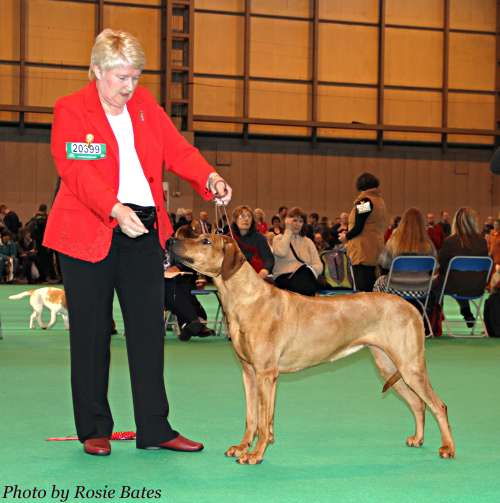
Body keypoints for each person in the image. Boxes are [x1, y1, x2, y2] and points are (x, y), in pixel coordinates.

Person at [42, 29, 232, 457]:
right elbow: (77, 172)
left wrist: (209, 178)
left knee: (148, 332)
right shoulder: (71, 110)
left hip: (143, 229)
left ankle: (155, 427)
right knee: (91, 335)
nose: (129, 87)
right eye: (121, 78)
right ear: (96, 71)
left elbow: (179, 151)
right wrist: (113, 208)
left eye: (135, 78)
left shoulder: (145, 107)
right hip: (90, 227)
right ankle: (94, 428)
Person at [435, 207, 488, 327]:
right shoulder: (482, 242)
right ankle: (466, 312)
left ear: (456, 222)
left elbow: (441, 266)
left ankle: (433, 322)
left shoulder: (450, 242)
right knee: (461, 278)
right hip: (477, 286)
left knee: (438, 284)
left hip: (455, 285)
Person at [339, 173, 387, 292]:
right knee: (372, 284)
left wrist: (346, 236)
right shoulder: (380, 201)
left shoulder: (365, 201)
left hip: (362, 250)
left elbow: (359, 226)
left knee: (362, 288)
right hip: (376, 247)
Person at [373, 208, 436, 297]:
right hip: (422, 289)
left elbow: (384, 265)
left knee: (379, 281)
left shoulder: (393, 241)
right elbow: (432, 270)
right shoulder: (429, 245)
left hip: (395, 288)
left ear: (403, 222)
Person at [272, 207, 322, 296]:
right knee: (307, 285)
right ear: (287, 222)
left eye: (300, 221)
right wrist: (288, 231)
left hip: (305, 276)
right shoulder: (278, 238)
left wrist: (311, 270)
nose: (297, 224)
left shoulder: (308, 242)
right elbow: (281, 252)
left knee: (305, 275)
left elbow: (319, 265)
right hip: (284, 277)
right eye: (294, 220)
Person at [231, 205, 274, 279]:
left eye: (249, 216)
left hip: (256, 277)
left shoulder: (260, 238)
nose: (246, 219)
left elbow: (268, 259)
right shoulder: (229, 238)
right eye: (242, 216)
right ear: (235, 220)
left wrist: (265, 270)